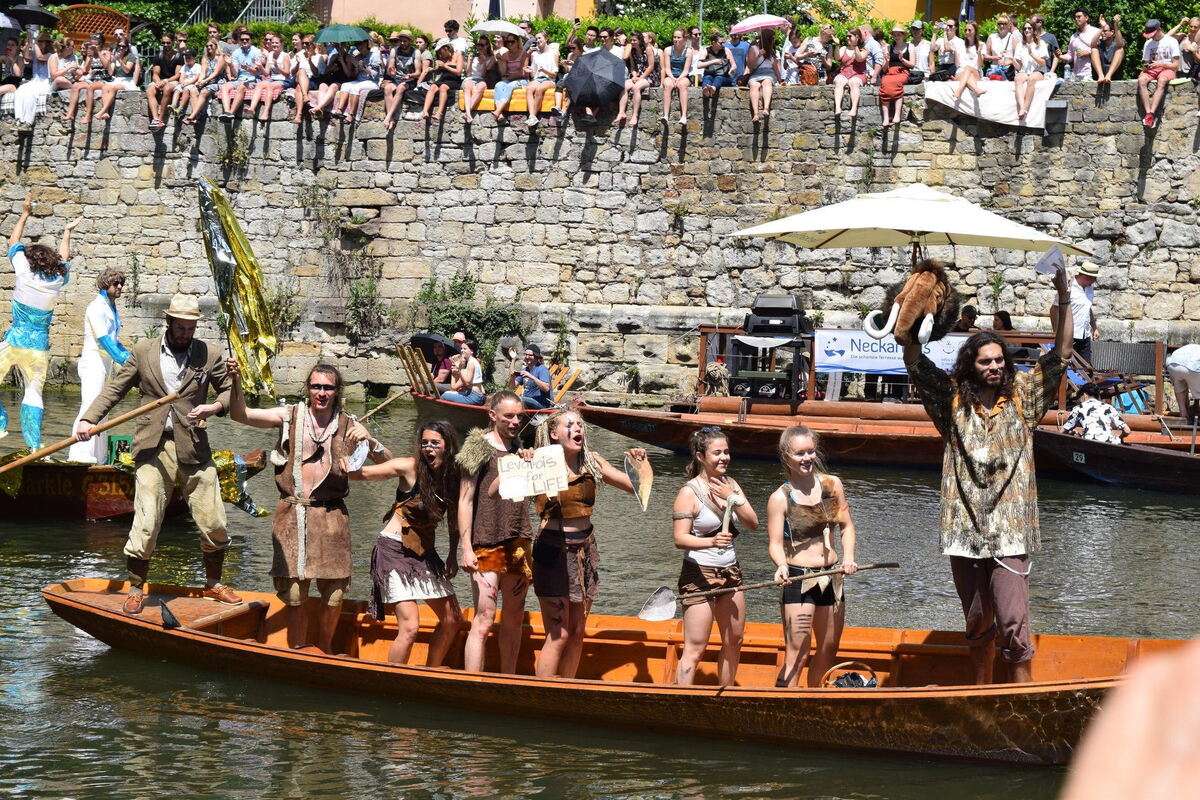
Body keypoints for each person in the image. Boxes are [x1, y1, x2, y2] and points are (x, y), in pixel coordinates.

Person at [903, 265, 1074, 684]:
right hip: (963, 530)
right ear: (971, 365)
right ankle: (979, 692)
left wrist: (1064, 296)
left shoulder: (1025, 398)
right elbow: (914, 360)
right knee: (978, 620)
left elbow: (1062, 353)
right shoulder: (950, 402)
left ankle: (1021, 698)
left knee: (1014, 621)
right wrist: (913, 306)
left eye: (999, 360)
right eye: (986, 361)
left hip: (1010, 531)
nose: (995, 366)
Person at [74, 294, 241, 616]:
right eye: (181, 328)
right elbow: (115, 389)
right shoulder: (143, 352)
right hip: (153, 447)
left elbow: (227, 390)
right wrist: (88, 419)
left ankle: (214, 583)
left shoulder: (209, 354)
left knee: (215, 521)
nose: (186, 334)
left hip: (193, 446)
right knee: (147, 521)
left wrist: (216, 406)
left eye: (191, 329)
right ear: (168, 322)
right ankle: (136, 588)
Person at [228, 360, 384, 651]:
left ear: (337, 391)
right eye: (316, 386)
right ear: (307, 388)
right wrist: (236, 380)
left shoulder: (350, 425)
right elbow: (241, 414)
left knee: (334, 594)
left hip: (332, 517)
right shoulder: (289, 416)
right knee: (295, 595)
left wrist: (371, 441)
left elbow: (389, 465)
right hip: (292, 514)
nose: (321, 393)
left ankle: (324, 650)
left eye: (328, 387)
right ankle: (298, 651)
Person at [514, 409, 650, 678]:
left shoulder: (592, 462)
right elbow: (497, 492)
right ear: (554, 433)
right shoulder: (539, 462)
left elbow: (635, 487)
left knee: (577, 632)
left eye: (580, 424)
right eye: (570, 424)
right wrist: (521, 461)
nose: (577, 428)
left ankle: (566, 688)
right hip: (553, 550)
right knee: (559, 634)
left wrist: (640, 465)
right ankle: (543, 693)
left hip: (585, 548)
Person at [350, 420, 463, 666]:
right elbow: (362, 474)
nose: (429, 448)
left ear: (448, 446)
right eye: (424, 443)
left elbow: (455, 520)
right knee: (410, 626)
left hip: (425, 553)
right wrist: (364, 445)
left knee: (453, 619)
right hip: (394, 551)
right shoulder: (409, 467)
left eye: (435, 443)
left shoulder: (453, 476)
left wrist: (453, 555)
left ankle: (430, 671)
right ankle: (392, 677)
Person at [767, 425, 858, 687]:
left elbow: (847, 526)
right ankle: (784, 700)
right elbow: (775, 544)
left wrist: (848, 557)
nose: (807, 458)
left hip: (832, 576)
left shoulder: (832, 485)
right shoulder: (780, 498)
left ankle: (814, 697)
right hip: (799, 579)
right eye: (800, 453)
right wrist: (781, 565)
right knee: (797, 652)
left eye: (810, 451)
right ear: (786, 456)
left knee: (829, 648)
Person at [672, 427, 759, 686]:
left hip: (731, 572)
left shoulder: (731, 485)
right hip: (699, 575)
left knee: (734, 640)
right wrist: (711, 541)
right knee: (696, 648)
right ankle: (681, 699)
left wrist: (732, 497)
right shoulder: (689, 493)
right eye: (717, 453)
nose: (724, 458)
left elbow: (753, 523)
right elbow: (680, 539)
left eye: (726, 452)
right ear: (701, 456)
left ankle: (726, 694)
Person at [457, 391, 533, 674]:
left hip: (518, 540)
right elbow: (465, 500)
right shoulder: (478, 448)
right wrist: (466, 547)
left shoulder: (520, 448)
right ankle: (472, 682)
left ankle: (508, 679)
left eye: (519, 417)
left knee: (514, 618)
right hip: (486, 540)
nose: (515, 422)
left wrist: (528, 458)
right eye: (508, 417)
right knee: (485, 617)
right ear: (492, 415)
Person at [2, 192, 82, 448]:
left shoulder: (24, 271)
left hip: (14, 342)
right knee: (34, 394)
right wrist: (67, 232)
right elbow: (64, 259)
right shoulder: (57, 280)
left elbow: (13, 241)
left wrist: (25, 213)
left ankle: (1, 423)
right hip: (38, 348)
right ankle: (34, 446)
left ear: (30, 260)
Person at [67, 268, 129, 463]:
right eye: (116, 283)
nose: (120, 286)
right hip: (93, 363)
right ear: (105, 284)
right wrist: (125, 361)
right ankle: (80, 456)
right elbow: (104, 340)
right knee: (90, 408)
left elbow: (114, 340)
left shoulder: (110, 307)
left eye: (122, 283)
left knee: (103, 411)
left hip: (105, 364)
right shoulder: (96, 307)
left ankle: (99, 457)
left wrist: (131, 356)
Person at [1051, 261, 1099, 363]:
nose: (1095, 280)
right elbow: (1054, 309)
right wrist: (1056, 333)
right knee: (1067, 366)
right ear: (1086, 276)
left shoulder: (1090, 289)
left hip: (1085, 335)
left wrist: (1094, 328)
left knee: (1085, 367)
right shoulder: (1069, 287)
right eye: (1094, 278)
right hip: (1069, 336)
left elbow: (1088, 309)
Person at [1137, 19, 1180, 128]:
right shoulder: (1148, 43)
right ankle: (1148, 114)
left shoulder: (1171, 41)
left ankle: (1152, 113)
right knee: (1141, 80)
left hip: (1168, 68)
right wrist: (1145, 69)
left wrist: (1161, 64)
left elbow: (1176, 65)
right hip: (1153, 69)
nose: (1151, 37)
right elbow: (1146, 63)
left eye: (1153, 34)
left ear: (1159, 29)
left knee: (1162, 80)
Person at [1062, 382, 1130, 444]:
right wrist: (1119, 437)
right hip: (1111, 444)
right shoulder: (1109, 407)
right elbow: (1127, 431)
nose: (1079, 400)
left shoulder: (1078, 408)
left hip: (1089, 444)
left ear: (1084, 395)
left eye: (1079, 397)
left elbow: (1064, 430)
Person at [618, 29, 658, 124]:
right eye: (631, 40)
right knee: (624, 86)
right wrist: (635, 76)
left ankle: (634, 115)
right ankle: (621, 112)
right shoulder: (632, 51)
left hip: (649, 76)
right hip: (638, 75)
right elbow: (633, 67)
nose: (632, 42)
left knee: (636, 88)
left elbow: (651, 66)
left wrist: (641, 78)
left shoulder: (648, 49)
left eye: (634, 40)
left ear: (640, 40)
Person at [247, 33, 289, 123]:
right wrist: (260, 66)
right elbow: (266, 73)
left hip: (284, 79)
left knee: (270, 86)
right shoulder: (270, 54)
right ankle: (252, 108)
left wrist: (277, 66)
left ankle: (266, 113)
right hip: (273, 78)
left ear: (281, 44)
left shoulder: (285, 56)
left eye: (276, 43)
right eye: (273, 43)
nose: (274, 44)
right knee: (259, 85)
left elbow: (287, 74)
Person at [879, 24, 913, 128]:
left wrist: (902, 60)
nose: (896, 37)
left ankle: (897, 115)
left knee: (896, 83)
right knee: (885, 83)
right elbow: (884, 68)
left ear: (903, 35)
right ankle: (886, 117)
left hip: (903, 71)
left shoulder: (910, 46)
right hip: (890, 72)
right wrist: (887, 61)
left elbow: (912, 64)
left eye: (899, 34)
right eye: (894, 35)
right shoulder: (888, 47)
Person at [182, 41, 225, 125]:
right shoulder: (205, 58)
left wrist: (205, 81)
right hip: (207, 81)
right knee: (193, 89)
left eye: (211, 45)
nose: (209, 47)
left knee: (204, 92)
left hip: (218, 81)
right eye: (207, 46)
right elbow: (203, 73)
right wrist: (200, 81)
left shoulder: (220, 57)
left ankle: (192, 116)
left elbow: (216, 73)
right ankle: (196, 117)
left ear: (216, 46)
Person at [219, 29, 259, 118]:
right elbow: (235, 74)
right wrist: (230, 65)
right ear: (239, 41)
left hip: (253, 79)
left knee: (241, 87)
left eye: (247, 39)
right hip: (240, 79)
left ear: (251, 40)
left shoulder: (256, 52)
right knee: (224, 87)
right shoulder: (236, 53)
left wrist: (248, 68)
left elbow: (256, 71)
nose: (244, 41)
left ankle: (231, 113)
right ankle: (227, 112)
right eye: (242, 39)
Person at [419, 38, 461, 122]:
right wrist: (433, 70)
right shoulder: (442, 58)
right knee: (433, 87)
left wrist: (445, 66)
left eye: (440, 51)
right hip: (444, 78)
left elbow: (458, 72)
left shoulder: (458, 56)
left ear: (446, 48)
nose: (439, 54)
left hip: (454, 80)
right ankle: (425, 111)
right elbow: (439, 71)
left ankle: (439, 113)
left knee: (443, 87)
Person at [146, 33, 181, 129]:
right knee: (150, 90)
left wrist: (165, 81)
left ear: (173, 42)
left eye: (168, 43)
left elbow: (177, 75)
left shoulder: (179, 56)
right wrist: (158, 82)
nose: (166, 45)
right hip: (161, 80)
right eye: (164, 43)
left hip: (172, 80)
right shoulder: (159, 56)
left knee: (167, 89)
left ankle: (160, 119)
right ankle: (155, 119)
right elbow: (155, 73)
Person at [1014, 21, 1048, 121]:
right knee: (1017, 78)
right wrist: (1012, 60)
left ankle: (1025, 109)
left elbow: (1043, 63)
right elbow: (1019, 67)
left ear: (1033, 30)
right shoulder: (1020, 45)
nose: (1027, 30)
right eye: (1025, 28)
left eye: (1029, 28)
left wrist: (1031, 54)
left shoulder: (1040, 43)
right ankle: (1021, 108)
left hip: (1038, 71)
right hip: (1024, 71)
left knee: (1031, 78)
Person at [745, 28, 781, 122]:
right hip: (756, 72)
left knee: (767, 82)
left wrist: (779, 79)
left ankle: (766, 108)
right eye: (772, 38)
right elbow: (749, 65)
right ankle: (756, 114)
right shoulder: (754, 48)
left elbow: (775, 67)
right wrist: (759, 55)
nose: (774, 40)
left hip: (769, 72)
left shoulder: (772, 51)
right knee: (754, 85)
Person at [523, 31, 557, 129]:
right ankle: (532, 116)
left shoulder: (554, 53)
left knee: (539, 89)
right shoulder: (534, 54)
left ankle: (533, 116)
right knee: (529, 89)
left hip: (549, 79)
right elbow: (534, 75)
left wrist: (544, 70)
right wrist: (530, 71)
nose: (538, 40)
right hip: (538, 78)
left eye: (540, 38)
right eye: (536, 38)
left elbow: (554, 74)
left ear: (546, 39)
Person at [491, 34, 528, 123]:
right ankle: (500, 114)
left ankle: (498, 110)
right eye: (508, 42)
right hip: (509, 79)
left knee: (510, 86)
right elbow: (503, 73)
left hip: (522, 80)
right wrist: (500, 60)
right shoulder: (505, 54)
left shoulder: (523, 53)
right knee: (498, 85)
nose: (510, 44)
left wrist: (512, 76)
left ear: (517, 42)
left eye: (512, 42)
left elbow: (523, 72)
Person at [460, 34, 494, 125]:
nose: (479, 47)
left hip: (481, 79)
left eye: (482, 45)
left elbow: (485, 74)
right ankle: (468, 114)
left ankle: (467, 113)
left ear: (487, 46)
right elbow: (468, 73)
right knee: (467, 86)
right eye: (478, 45)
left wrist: (484, 62)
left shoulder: (491, 58)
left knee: (482, 86)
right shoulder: (473, 55)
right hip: (471, 78)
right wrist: (470, 61)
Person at [833, 29, 868, 118]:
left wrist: (855, 46)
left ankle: (854, 108)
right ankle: (837, 107)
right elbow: (837, 57)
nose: (848, 38)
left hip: (858, 74)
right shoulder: (844, 48)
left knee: (854, 82)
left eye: (850, 36)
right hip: (844, 73)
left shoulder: (863, 50)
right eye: (847, 36)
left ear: (857, 37)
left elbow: (859, 59)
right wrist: (837, 45)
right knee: (839, 81)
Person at [661, 28, 693, 126]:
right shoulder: (667, 50)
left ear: (684, 39)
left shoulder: (688, 51)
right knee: (667, 85)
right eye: (674, 37)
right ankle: (665, 115)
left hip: (683, 75)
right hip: (671, 75)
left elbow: (686, 70)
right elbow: (667, 68)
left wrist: (678, 79)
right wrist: (672, 78)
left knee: (682, 85)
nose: (676, 39)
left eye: (678, 37)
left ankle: (683, 116)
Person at [442, 338, 485, 405]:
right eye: (461, 348)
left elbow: (467, 382)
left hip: (474, 396)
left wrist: (460, 369)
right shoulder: (472, 361)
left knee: (444, 396)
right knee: (448, 393)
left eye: (465, 349)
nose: (462, 350)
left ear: (471, 351)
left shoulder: (471, 362)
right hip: (474, 394)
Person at [952, 21, 987, 101]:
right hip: (961, 72)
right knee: (968, 74)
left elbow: (980, 65)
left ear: (975, 32)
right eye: (965, 30)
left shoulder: (981, 44)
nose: (967, 32)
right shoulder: (960, 45)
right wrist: (955, 52)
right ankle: (976, 89)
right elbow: (957, 65)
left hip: (976, 72)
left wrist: (979, 52)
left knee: (968, 68)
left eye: (969, 30)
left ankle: (959, 90)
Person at [511, 343, 552, 409]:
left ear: (536, 356)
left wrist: (531, 376)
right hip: (527, 401)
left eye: (530, 355)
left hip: (541, 403)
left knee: (516, 399)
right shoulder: (525, 369)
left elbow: (546, 388)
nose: (527, 357)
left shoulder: (542, 369)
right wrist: (513, 360)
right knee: (507, 398)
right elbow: (512, 386)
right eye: (526, 354)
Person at [695, 30, 733, 101]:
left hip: (723, 76)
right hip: (710, 74)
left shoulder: (726, 50)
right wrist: (713, 62)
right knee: (707, 77)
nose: (722, 45)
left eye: (723, 43)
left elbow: (734, 65)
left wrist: (732, 69)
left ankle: (713, 88)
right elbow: (699, 65)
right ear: (713, 42)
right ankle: (705, 89)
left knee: (719, 78)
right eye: (720, 43)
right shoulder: (706, 51)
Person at [1166, 343, 1200, 421]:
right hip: (1193, 367)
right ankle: (1196, 409)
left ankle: (1183, 413)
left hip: (1173, 365)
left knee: (1180, 387)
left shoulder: (1193, 347)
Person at [1067, 8, 1100, 81]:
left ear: (1086, 18)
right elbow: (1070, 56)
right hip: (1076, 75)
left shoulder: (1096, 31)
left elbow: (1103, 49)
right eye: (1075, 17)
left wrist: (1089, 52)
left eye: (1079, 17)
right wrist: (1059, 56)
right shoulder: (1073, 36)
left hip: (1091, 74)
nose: (1076, 19)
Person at [1091, 15, 1125, 85]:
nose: (1102, 33)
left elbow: (1120, 44)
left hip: (1115, 75)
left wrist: (1115, 25)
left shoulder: (1117, 42)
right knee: (1094, 50)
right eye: (1102, 31)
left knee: (1120, 50)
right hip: (1100, 74)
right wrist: (1102, 27)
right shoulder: (1100, 42)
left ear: (1112, 32)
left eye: (1105, 31)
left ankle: (1108, 75)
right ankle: (1101, 75)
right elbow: (1092, 44)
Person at [982, 15, 1017, 81]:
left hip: (1008, 71)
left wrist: (1007, 62)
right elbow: (985, 55)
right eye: (999, 24)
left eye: (1004, 24)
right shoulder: (991, 37)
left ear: (1009, 25)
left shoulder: (1013, 38)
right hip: (994, 70)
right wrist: (994, 58)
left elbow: (1018, 58)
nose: (1001, 26)